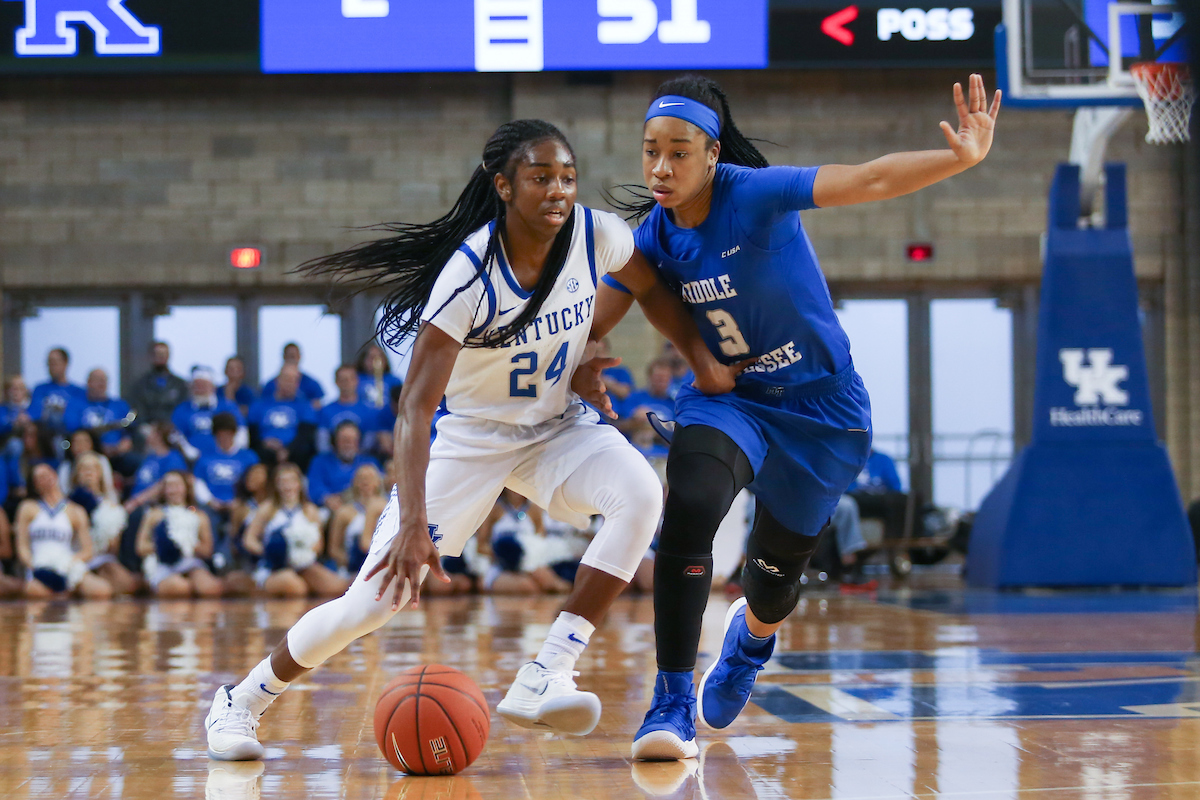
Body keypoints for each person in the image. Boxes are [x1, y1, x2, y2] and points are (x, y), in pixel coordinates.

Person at [204, 119, 738, 762]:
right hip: (472, 440)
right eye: (541, 177)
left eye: (568, 178)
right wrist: (413, 524)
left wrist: (597, 348)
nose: (558, 190)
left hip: (555, 427)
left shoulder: (597, 234)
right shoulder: (467, 276)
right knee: (372, 603)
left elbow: (645, 283)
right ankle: (242, 700)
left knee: (640, 493)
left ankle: (547, 671)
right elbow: (413, 407)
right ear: (504, 186)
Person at [591, 73, 1000, 758]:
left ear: (713, 155)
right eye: (650, 151)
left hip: (821, 411)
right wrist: (564, 361)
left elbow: (868, 180)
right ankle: (669, 703)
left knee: (774, 587)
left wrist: (960, 157)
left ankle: (751, 641)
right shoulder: (650, 239)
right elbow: (593, 320)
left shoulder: (753, 196)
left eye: (679, 152)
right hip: (732, 402)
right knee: (689, 505)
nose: (661, 168)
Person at [241, 462, 348, 598]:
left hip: (303, 565)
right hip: (274, 568)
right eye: (283, 482)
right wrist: (269, 550)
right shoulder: (267, 509)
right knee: (296, 587)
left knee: (334, 587)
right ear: (276, 485)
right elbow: (248, 540)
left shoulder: (310, 510)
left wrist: (302, 553)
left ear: (299, 484)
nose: (288, 486)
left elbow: (318, 545)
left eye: (292, 481)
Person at [14, 463, 113, 599]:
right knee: (34, 591)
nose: (46, 478)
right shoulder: (27, 507)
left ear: (55, 475)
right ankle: (63, 598)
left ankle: (73, 600)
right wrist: (34, 565)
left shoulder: (75, 510)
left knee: (101, 590)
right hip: (40, 565)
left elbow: (88, 550)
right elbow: (22, 547)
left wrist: (67, 563)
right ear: (35, 485)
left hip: (67, 564)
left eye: (48, 473)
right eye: (40, 477)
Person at [135, 471, 223, 598]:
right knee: (179, 588)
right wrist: (164, 546)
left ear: (186, 488)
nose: (173, 490)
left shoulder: (199, 515)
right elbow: (140, 547)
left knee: (209, 588)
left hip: (190, 562)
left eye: (177, 485)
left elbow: (207, 551)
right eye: (169, 486)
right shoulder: (154, 514)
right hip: (162, 564)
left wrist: (186, 544)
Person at [69, 452, 141, 595]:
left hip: (101, 558)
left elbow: (113, 547)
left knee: (127, 584)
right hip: (74, 557)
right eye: (84, 468)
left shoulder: (111, 507)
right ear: (77, 474)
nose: (89, 472)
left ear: (100, 474)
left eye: (93, 468)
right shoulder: (67, 505)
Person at [63, 368, 135, 475]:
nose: (101, 383)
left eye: (104, 380)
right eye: (97, 380)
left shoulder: (120, 405)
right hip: (86, 453)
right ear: (88, 382)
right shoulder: (75, 405)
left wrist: (126, 442)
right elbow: (72, 430)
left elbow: (131, 430)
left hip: (117, 455)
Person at [247, 365, 317, 471]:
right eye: (286, 379)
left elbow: (305, 435)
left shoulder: (305, 406)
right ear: (277, 380)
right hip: (265, 451)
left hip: (294, 453)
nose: (290, 384)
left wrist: (287, 450)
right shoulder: (259, 405)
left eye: (294, 380)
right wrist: (264, 443)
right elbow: (252, 433)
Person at [326, 464, 386, 579]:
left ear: (378, 481)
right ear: (355, 482)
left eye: (370, 478)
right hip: (352, 568)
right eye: (362, 478)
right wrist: (349, 560)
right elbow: (333, 549)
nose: (366, 481)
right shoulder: (344, 512)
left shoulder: (385, 507)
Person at [172, 366, 245, 461]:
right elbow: (177, 435)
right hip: (191, 460)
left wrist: (231, 451)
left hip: (225, 457)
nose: (200, 389)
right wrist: (189, 452)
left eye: (204, 385)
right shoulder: (182, 409)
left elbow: (241, 432)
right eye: (197, 385)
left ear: (213, 386)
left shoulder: (228, 406)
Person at [306, 421, 377, 513]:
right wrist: (327, 499)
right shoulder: (319, 462)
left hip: (364, 508)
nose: (349, 444)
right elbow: (314, 487)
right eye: (344, 440)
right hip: (330, 510)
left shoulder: (370, 462)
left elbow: (379, 487)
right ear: (335, 441)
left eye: (353, 440)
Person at [317, 365, 381, 453]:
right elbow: (323, 443)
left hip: (361, 460)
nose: (347, 383)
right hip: (333, 460)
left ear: (357, 381)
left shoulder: (368, 411)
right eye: (343, 380)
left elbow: (369, 442)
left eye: (350, 379)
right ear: (336, 382)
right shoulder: (326, 410)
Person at [129, 341, 189, 426]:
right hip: (148, 430)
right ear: (151, 356)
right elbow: (138, 410)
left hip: (174, 428)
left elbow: (183, 410)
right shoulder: (140, 385)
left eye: (164, 354)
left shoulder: (180, 385)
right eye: (158, 354)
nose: (161, 357)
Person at [29, 347, 86, 431]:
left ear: (65, 363)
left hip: (70, 435)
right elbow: (34, 414)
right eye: (49, 363)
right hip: (44, 434)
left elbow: (78, 417)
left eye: (54, 363)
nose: (51, 367)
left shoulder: (79, 392)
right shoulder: (39, 389)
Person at [261, 343, 325, 408]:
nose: (292, 359)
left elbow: (317, 409)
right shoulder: (269, 386)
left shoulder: (312, 384)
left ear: (299, 357)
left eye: (294, 356)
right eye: (289, 356)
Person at [355, 344, 402, 411]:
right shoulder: (355, 379)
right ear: (363, 360)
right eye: (371, 357)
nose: (375, 361)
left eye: (379, 357)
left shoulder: (394, 381)